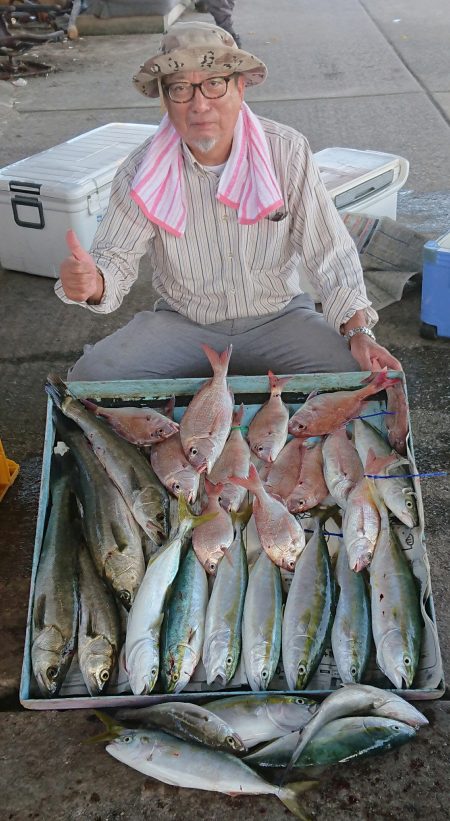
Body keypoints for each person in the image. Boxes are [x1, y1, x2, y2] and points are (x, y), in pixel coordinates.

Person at [56, 21, 402, 382]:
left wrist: (358, 332)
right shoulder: (139, 171)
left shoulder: (287, 150)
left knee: (362, 373)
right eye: (180, 89)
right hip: (184, 324)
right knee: (90, 377)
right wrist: (92, 283)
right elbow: (115, 258)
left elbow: (329, 250)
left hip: (280, 319)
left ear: (240, 87)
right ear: (165, 99)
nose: (199, 104)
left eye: (214, 84)